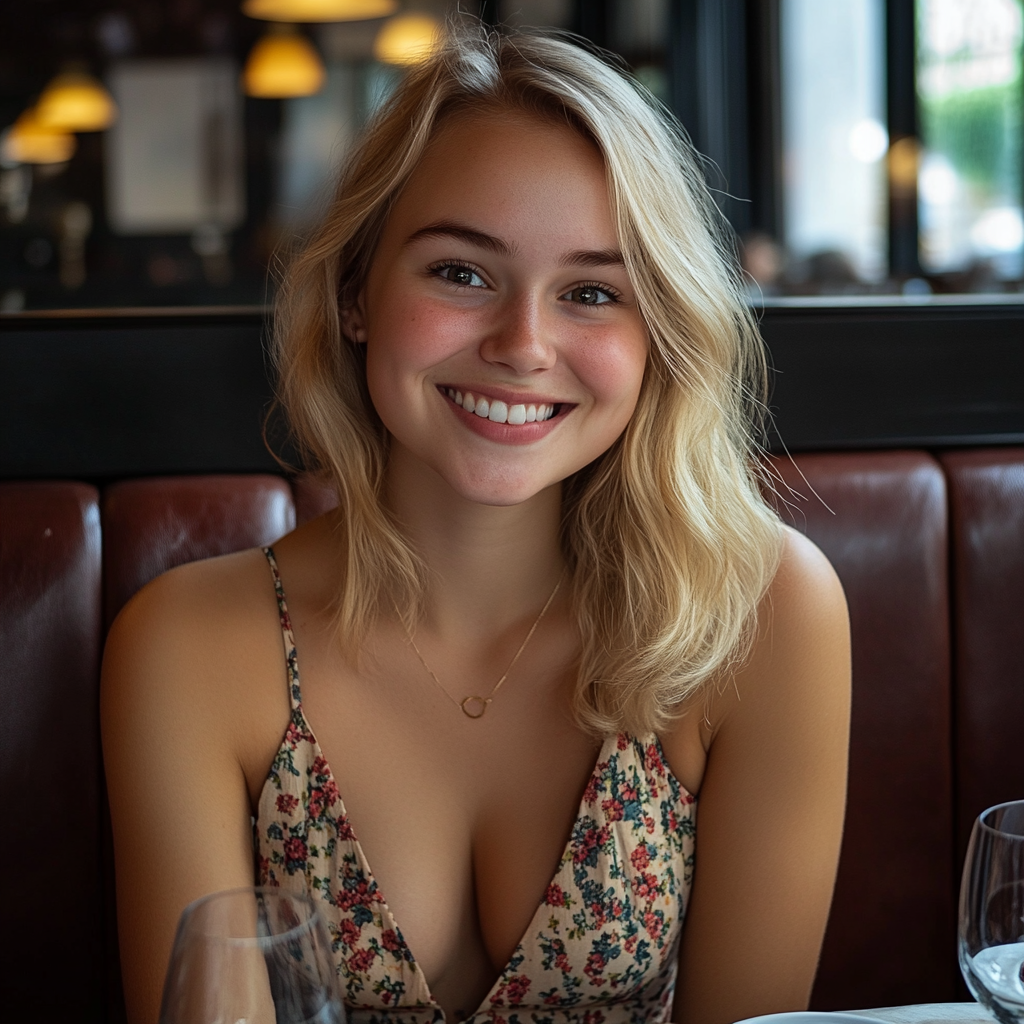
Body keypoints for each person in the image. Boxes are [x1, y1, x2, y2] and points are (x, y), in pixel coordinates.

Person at [101, 23, 850, 1024]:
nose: (522, 344)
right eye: (461, 272)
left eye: (591, 292)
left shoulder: (763, 614)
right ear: (358, 293)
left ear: (658, 332)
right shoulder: (187, 646)